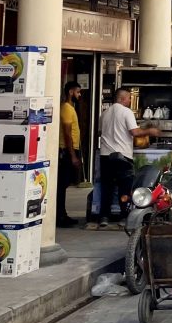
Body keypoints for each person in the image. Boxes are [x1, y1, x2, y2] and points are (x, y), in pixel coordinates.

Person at [97, 89, 160, 228]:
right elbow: (135, 132)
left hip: (105, 155)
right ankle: (124, 217)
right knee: (124, 188)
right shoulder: (127, 112)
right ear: (122, 98)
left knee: (107, 187)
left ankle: (104, 217)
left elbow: (101, 132)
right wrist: (150, 131)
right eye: (128, 98)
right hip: (122, 155)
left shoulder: (104, 114)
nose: (130, 101)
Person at [56, 80, 83, 228]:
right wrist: (72, 154)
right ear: (71, 92)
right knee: (62, 184)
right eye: (78, 92)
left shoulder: (71, 108)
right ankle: (60, 215)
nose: (79, 95)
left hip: (70, 149)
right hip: (66, 150)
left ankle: (62, 214)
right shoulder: (66, 108)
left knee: (65, 183)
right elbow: (67, 133)